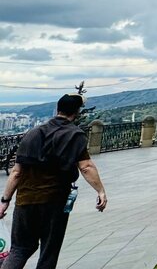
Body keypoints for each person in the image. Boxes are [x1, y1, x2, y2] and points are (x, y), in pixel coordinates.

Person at [0, 94, 107, 269]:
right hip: (54, 202)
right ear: (77, 112)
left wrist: (4, 201)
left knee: (20, 249)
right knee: (49, 251)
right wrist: (101, 191)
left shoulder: (33, 133)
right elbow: (86, 166)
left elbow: (16, 173)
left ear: (57, 109)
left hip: (26, 201)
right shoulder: (75, 135)